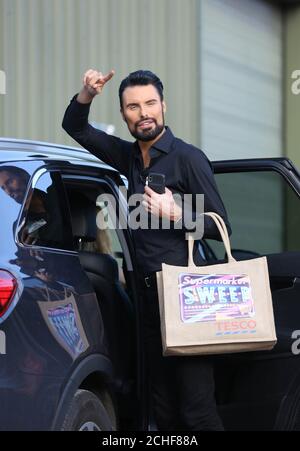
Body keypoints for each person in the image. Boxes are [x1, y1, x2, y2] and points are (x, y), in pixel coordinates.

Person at [62, 69, 231, 431]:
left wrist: (178, 213)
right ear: (124, 114)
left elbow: (221, 226)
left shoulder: (188, 158)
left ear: (164, 105)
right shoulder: (130, 158)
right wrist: (87, 94)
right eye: (134, 107)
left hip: (188, 299)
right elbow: (76, 128)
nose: (144, 113)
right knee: (161, 407)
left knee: (196, 409)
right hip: (146, 299)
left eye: (151, 103)